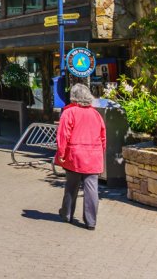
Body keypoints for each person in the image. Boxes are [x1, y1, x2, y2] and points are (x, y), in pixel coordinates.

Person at [56, 82, 106, 230]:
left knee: (71, 186)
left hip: (75, 154)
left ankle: (67, 214)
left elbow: (63, 136)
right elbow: (103, 136)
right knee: (91, 188)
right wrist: (100, 152)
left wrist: (61, 153)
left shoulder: (69, 112)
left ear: (73, 97)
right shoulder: (96, 114)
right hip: (94, 154)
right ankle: (91, 221)